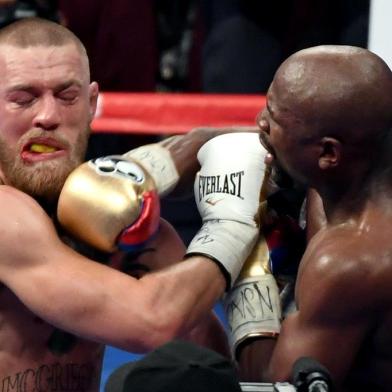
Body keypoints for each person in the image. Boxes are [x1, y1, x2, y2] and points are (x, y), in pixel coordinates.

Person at [0, 17, 269, 391]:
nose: (47, 116)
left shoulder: (123, 219)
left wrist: (256, 273)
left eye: (66, 96)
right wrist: (236, 222)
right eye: (23, 99)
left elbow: (218, 369)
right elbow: (152, 321)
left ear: (92, 103)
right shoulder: (5, 217)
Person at [233, 45, 392, 391]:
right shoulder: (354, 170)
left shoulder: (350, 261)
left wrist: (247, 260)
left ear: (327, 153)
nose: (260, 122)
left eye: (274, 117)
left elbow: (272, 386)